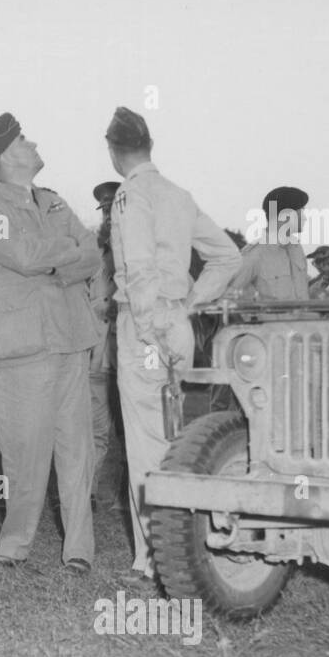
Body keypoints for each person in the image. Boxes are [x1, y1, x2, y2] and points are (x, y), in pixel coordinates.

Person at [104, 106, 241, 581]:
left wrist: (151, 326)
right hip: (177, 324)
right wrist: (188, 305)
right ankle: (188, 545)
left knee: (146, 444)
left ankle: (153, 559)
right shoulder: (178, 195)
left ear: (113, 150)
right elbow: (227, 256)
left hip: (146, 327)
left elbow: (138, 267)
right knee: (175, 437)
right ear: (149, 145)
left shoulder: (130, 194)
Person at [0, 113, 101, 573]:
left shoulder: (56, 202)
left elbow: (92, 252)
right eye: (25, 140)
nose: (34, 142)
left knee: (76, 449)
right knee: (24, 451)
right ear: (7, 156)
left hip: (70, 337)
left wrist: (59, 260)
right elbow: (23, 257)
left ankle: (79, 548)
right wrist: (65, 254)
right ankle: (15, 544)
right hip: (23, 346)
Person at [88, 181, 123, 511]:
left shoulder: (145, 250)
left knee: (130, 432)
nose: (110, 215)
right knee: (95, 430)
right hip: (97, 355)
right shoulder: (94, 252)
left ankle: (132, 497)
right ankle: (90, 492)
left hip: (131, 356)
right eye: (106, 210)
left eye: (116, 207)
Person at [228, 186, 311, 300]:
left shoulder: (297, 249)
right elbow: (227, 299)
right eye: (301, 212)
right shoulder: (254, 255)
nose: (305, 218)